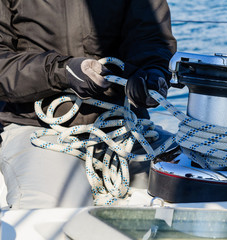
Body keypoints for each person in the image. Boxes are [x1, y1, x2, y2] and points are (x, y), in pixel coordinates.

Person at [0, 0, 177, 209]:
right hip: (38, 130)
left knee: (203, 185)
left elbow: (151, 40)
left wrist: (152, 75)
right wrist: (61, 71)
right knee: (49, 217)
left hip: (128, 130)